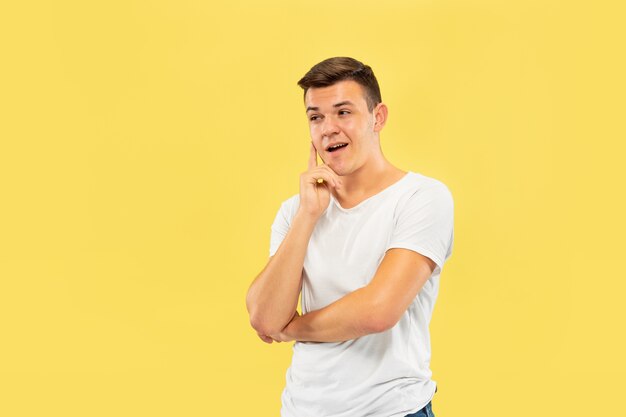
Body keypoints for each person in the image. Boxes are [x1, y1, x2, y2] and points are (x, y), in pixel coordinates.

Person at [245, 56, 454, 417]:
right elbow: (264, 317)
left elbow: (378, 311)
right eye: (316, 117)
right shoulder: (295, 212)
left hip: (391, 410)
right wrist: (308, 216)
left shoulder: (421, 198)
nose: (328, 128)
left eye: (344, 112)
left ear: (378, 117)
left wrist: (291, 328)